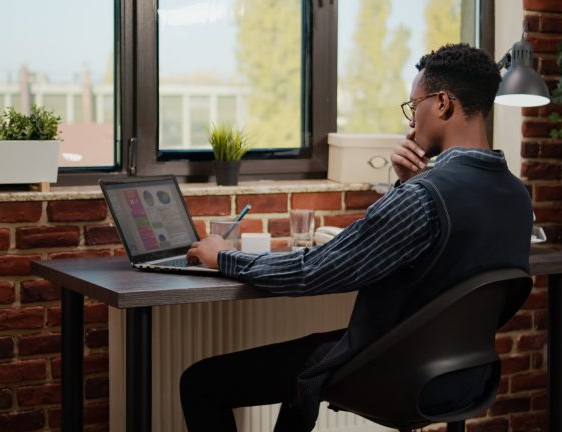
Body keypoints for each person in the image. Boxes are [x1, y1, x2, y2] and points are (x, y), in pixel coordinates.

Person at [181, 43, 533, 432]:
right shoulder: (517, 197)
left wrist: (224, 257)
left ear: (443, 104)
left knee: (200, 382)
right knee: (307, 360)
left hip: (393, 372)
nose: (411, 123)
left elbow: (312, 271)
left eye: (414, 106)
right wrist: (411, 183)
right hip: (464, 374)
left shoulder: (424, 197)